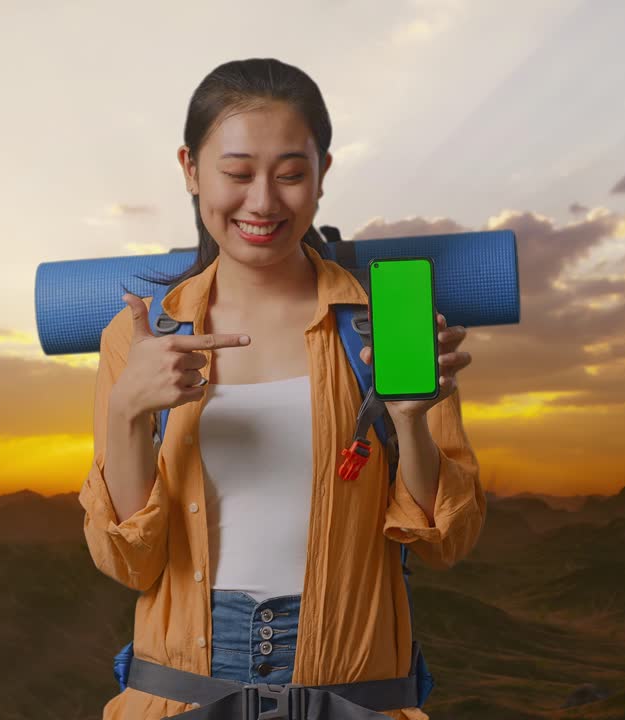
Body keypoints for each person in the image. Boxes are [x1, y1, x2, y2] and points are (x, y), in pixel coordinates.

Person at [80, 58, 486, 720]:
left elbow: (445, 543)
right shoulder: (137, 338)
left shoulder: (387, 326)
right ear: (190, 169)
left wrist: (412, 422)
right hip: (179, 695)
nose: (264, 202)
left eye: (291, 174)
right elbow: (130, 564)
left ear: (323, 173)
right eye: (238, 173)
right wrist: (128, 411)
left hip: (355, 694)